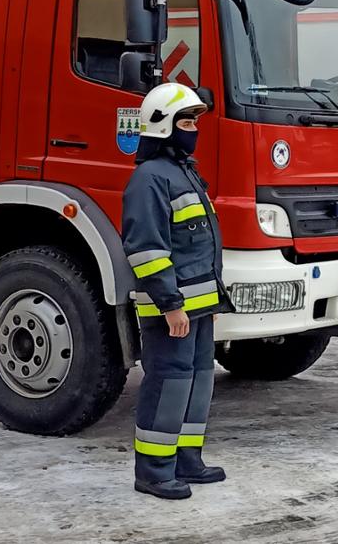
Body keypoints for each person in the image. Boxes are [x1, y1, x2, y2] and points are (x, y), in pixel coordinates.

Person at [121, 83, 228, 500]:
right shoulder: (149, 179)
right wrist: (170, 304)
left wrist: (212, 300)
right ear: (162, 126)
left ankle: (186, 460)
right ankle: (153, 471)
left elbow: (200, 246)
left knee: (197, 381)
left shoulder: (184, 172)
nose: (193, 130)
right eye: (185, 122)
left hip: (196, 308)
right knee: (168, 384)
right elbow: (146, 249)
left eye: (194, 122)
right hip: (172, 309)